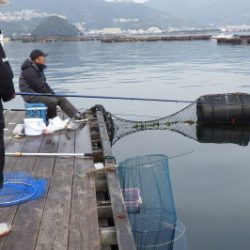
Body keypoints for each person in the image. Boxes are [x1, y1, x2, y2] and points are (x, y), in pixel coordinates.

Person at [19, 49, 85, 120]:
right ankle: (53, 120)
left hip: (38, 93)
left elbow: (44, 83)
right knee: (52, 101)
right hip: (31, 95)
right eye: (43, 58)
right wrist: (50, 95)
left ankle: (76, 115)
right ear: (37, 60)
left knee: (61, 98)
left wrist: (52, 92)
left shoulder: (38, 68)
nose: (45, 59)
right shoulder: (29, 71)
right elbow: (38, 87)